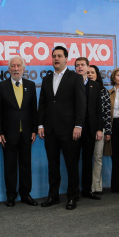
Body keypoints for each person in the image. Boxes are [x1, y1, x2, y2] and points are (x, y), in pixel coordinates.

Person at [38, 46, 86, 210]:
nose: (56, 59)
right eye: (54, 56)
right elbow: (42, 104)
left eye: (59, 56)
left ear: (66, 58)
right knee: (53, 165)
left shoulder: (75, 77)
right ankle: (53, 196)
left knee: (72, 165)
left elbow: (81, 103)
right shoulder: (46, 79)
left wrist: (78, 125)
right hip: (50, 130)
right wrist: (40, 124)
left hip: (70, 130)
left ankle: (72, 197)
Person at [0, 56, 38, 207]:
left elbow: (33, 110)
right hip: (8, 134)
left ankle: (26, 194)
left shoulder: (31, 85)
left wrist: (34, 130)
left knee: (26, 165)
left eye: (19, 66)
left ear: (24, 69)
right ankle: (11, 195)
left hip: (26, 133)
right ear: (9, 69)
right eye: (13, 66)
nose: (16, 68)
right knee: (10, 166)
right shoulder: (1, 86)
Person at [75, 57, 105, 200]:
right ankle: (73, 192)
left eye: (82, 65)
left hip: (90, 129)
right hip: (75, 129)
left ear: (88, 67)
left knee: (87, 160)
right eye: (77, 65)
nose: (80, 67)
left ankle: (87, 190)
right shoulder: (71, 84)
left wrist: (99, 129)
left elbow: (99, 109)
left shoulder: (95, 86)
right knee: (73, 161)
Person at [88, 65, 111, 196]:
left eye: (93, 72)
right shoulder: (80, 89)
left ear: (97, 75)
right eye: (88, 72)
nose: (90, 74)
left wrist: (107, 130)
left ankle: (96, 186)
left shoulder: (103, 91)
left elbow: (107, 113)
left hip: (99, 129)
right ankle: (86, 186)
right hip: (84, 129)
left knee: (97, 157)